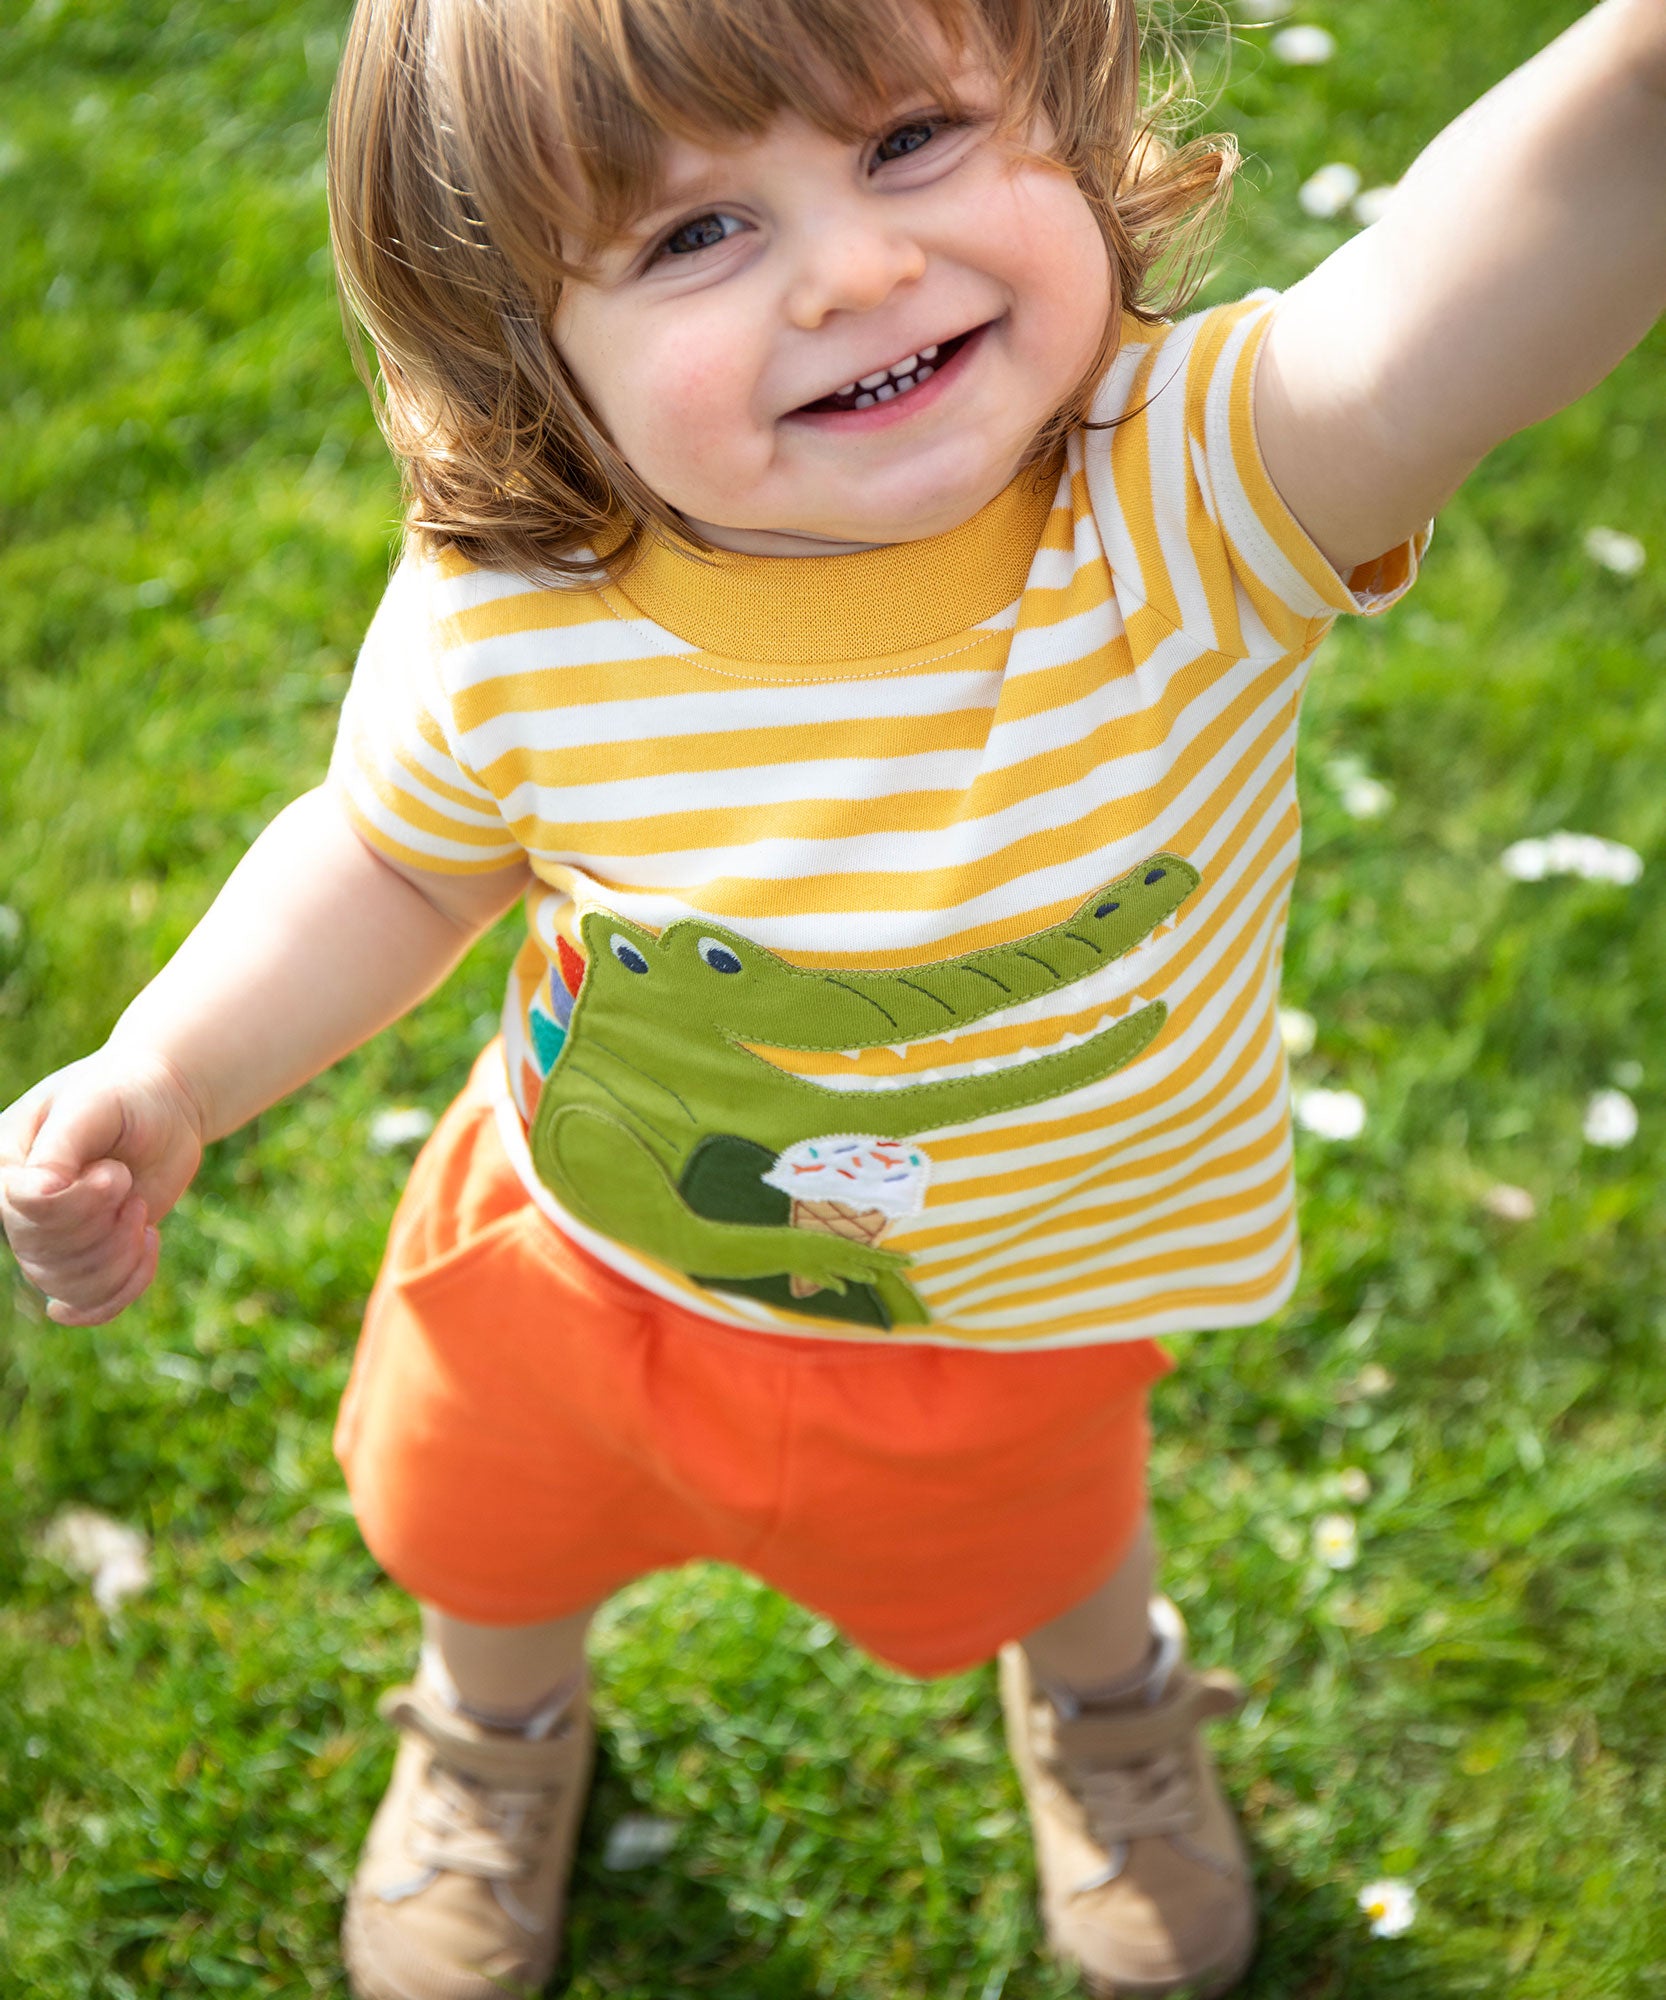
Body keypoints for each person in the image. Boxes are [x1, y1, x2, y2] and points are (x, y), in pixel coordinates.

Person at [3, 0, 1662, 1993]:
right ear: (521, 342)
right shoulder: (514, 603)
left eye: (907, 142)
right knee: (482, 1535)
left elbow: (1490, 266)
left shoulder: (1210, 490)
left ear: (1058, 107)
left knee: (1052, 1549)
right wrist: (171, 1060)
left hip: (1008, 1300)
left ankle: (1105, 1703)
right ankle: (488, 1732)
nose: (857, 267)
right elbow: (398, 852)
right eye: (695, 234)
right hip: (579, 1255)